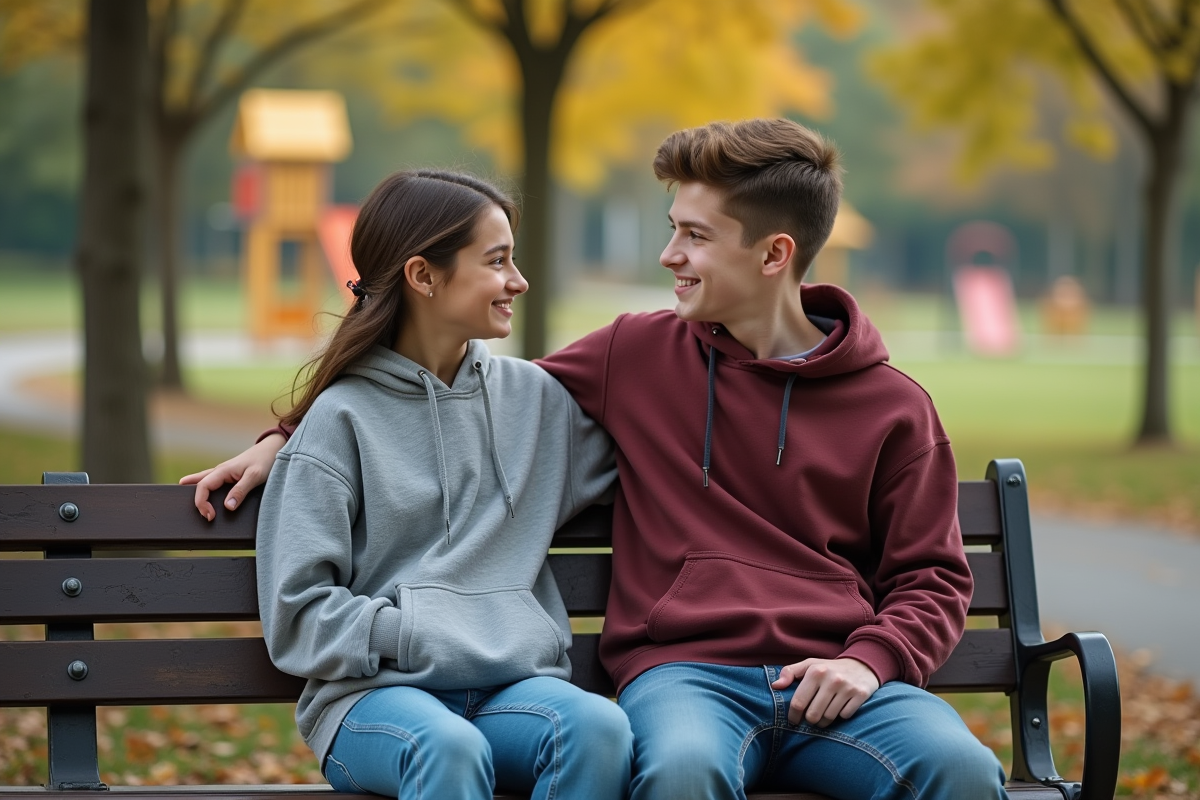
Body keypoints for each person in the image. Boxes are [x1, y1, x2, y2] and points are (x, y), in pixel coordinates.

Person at [185, 120, 1006, 799]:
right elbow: (410, 394)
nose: (668, 256)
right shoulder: (635, 356)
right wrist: (283, 440)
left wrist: (870, 661)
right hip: (684, 674)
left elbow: (934, 577)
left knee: (965, 772)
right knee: (678, 768)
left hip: (841, 681)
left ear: (773, 255)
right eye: (672, 229)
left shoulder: (896, 406)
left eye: (693, 235)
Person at [211, 169, 633, 800]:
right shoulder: (340, 420)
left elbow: (655, 459)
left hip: (511, 692)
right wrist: (412, 633)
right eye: (497, 261)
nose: (518, 281)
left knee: (599, 727)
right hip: (373, 703)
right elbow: (298, 616)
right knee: (448, 748)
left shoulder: (537, 403)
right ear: (423, 276)